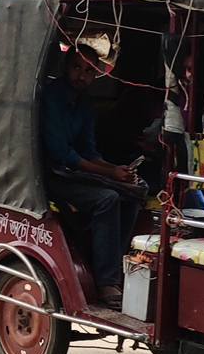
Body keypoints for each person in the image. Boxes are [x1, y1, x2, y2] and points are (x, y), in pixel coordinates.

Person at [42, 44, 141, 309]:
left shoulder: (84, 103)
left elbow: (89, 150)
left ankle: (114, 268)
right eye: (76, 67)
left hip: (74, 174)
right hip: (52, 175)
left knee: (131, 195)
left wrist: (118, 170)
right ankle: (104, 282)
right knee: (107, 198)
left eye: (88, 70)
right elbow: (62, 154)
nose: (81, 76)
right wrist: (110, 173)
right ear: (65, 67)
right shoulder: (52, 97)